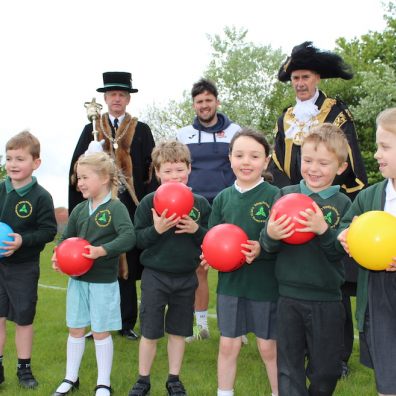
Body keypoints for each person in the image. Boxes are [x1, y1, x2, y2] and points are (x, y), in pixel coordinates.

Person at [269, 41, 368, 376]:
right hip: (293, 203)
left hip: (328, 202)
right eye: (295, 77)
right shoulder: (286, 117)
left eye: (306, 76)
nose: (300, 83)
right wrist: (287, 198)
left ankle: (336, 355)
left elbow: (349, 159)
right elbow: (277, 159)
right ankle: (298, 350)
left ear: (317, 78)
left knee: (332, 280)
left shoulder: (337, 113)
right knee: (296, 275)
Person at [260, 124, 352, 396]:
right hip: (289, 298)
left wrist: (323, 229)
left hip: (327, 300)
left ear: (340, 168)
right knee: (289, 367)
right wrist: (271, 234)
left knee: (326, 370)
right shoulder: (285, 195)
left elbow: (340, 252)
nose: (313, 168)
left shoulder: (343, 204)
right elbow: (266, 246)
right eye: (308, 160)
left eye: (323, 163)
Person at [69, 71, 156, 340]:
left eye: (121, 94)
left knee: (127, 261)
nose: (116, 99)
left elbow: (151, 171)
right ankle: (95, 322)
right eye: (112, 94)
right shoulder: (91, 128)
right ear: (105, 98)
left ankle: (126, 321)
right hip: (100, 205)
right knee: (97, 260)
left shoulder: (141, 130)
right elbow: (77, 169)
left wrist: (148, 206)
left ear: (128, 99)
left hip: (130, 206)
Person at [128, 140, 211, 396]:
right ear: (157, 172)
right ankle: (143, 379)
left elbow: (210, 240)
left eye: (179, 170)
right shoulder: (148, 203)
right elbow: (136, 240)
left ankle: (174, 379)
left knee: (178, 331)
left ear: (189, 169)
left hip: (186, 277)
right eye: (167, 171)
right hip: (155, 276)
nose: (174, 176)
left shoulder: (200, 204)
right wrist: (157, 230)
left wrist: (196, 230)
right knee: (150, 332)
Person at [202, 129, 279, 396]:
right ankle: (224, 392)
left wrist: (262, 248)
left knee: (268, 347)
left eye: (254, 156)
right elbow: (212, 236)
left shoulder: (274, 195)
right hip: (231, 286)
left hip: (264, 284)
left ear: (266, 161)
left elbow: (281, 239)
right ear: (230, 159)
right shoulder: (223, 198)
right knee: (228, 345)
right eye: (240, 155)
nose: (246, 162)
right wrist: (209, 255)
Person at [52, 152, 136, 396]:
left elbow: (129, 237)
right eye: (78, 178)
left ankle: (103, 383)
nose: (80, 183)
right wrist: (58, 255)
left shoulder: (116, 208)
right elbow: (66, 238)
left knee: (100, 331)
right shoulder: (79, 209)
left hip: (103, 282)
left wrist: (103, 250)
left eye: (85, 177)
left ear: (105, 178)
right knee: (76, 329)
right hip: (77, 281)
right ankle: (70, 378)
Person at [337, 108, 396, 396]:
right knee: (387, 366)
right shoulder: (371, 196)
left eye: (384, 147)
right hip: (379, 290)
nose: (376, 154)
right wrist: (346, 235)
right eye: (377, 146)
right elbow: (348, 223)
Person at [177, 78, 241, 341]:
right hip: (196, 206)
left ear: (217, 101)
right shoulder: (183, 135)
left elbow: (242, 164)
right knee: (198, 267)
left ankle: (238, 325)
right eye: (199, 102)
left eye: (208, 100)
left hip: (227, 204)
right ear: (194, 105)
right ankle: (199, 326)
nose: (204, 106)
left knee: (234, 265)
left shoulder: (235, 131)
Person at [0, 131, 57, 388]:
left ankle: (24, 369)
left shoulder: (41, 197)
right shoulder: (1, 189)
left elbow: (48, 231)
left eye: (20, 159)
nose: (12, 164)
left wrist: (23, 240)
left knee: (24, 318)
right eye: (9, 158)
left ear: (36, 163)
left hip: (24, 267)